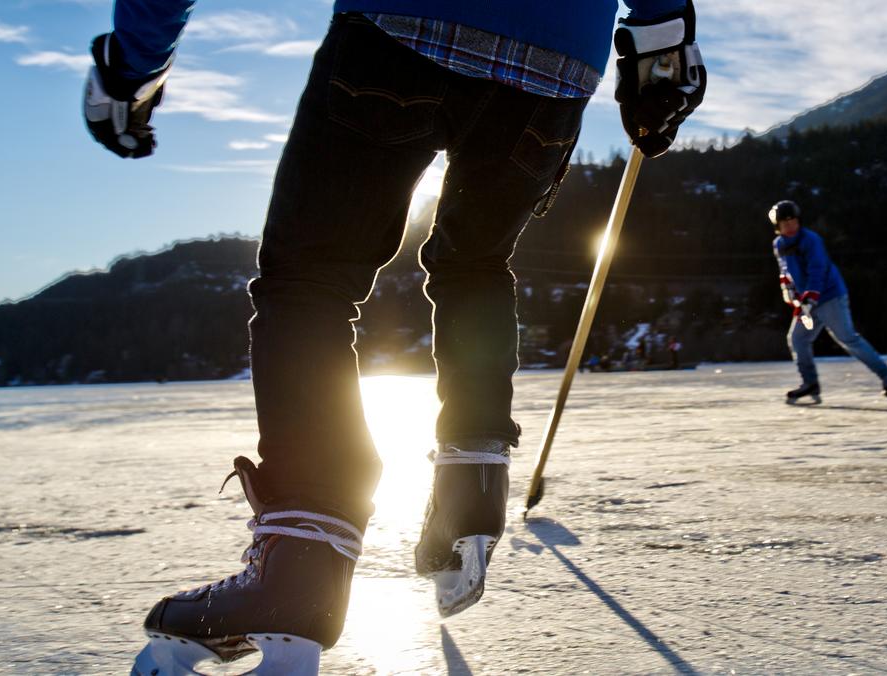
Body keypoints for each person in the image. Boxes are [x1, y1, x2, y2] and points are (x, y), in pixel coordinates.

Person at [85, 1, 704, 672]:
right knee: (476, 265)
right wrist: (662, 52)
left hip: (401, 26)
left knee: (310, 280)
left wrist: (130, 70)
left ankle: (300, 557)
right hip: (554, 61)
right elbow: (659, 23)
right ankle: (473, 484)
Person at [769, 200, 887, 404]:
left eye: (792, 221)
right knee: (798, 339)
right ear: (777, 226)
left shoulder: (811, 240)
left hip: (830, 297)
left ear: (798, 220)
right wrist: (789, 293)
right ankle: (810, 383)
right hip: (807, 301)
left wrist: (810, 298)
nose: (790, 226)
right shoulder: (779, 244)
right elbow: (785, 272)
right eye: (784, 223)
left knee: (848, 339)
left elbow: (817, 270)